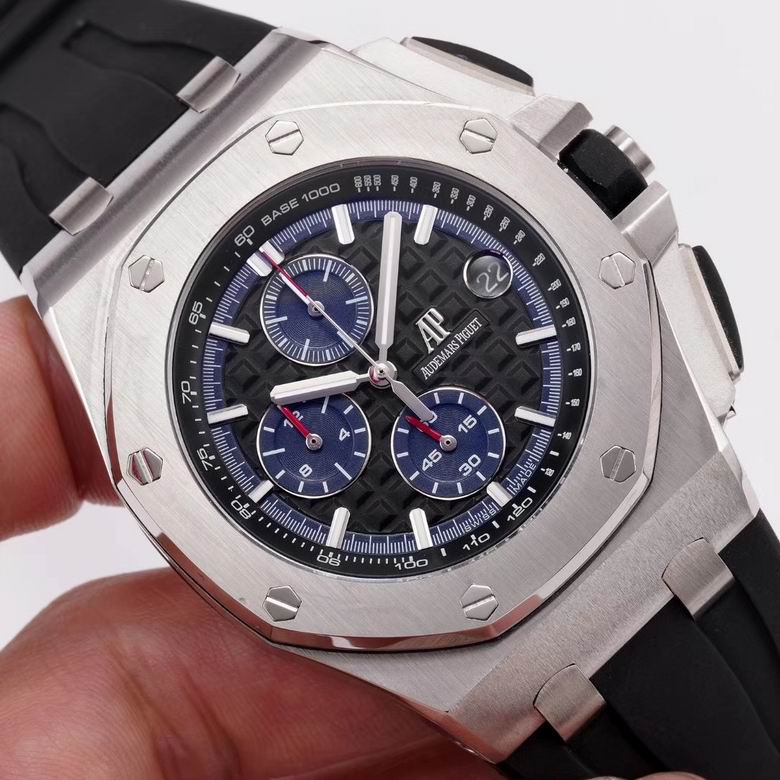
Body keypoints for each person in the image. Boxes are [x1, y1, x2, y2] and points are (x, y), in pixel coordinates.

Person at [0, 296, 701, 779]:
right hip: (504, 663)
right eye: (374, 377)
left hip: (678, 510)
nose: (381, 375)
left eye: (380, 374)